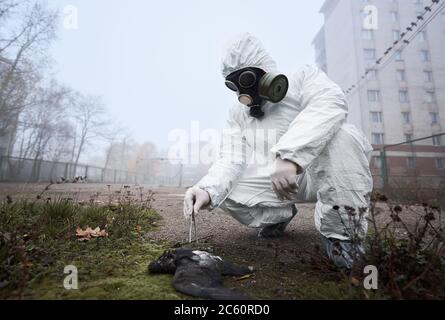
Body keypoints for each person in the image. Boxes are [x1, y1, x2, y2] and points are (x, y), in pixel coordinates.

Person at [183, 33, 373, 269]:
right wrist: (207, 190)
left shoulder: (303, 78)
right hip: (282, 181)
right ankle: (281, 214)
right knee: (226, 191)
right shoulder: (238, 115)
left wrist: (289, 156)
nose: (245, 88)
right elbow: (230, 159)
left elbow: (330, 103)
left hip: (327, 170)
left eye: (249, 77)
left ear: (264, 69)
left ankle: (343, 239)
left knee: (343, 135)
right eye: (235, 83)